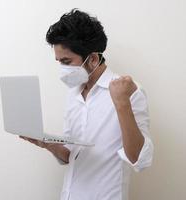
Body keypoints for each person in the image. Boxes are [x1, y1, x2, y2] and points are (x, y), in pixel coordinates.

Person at [20, 9, 154, 200]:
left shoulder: (130, 91)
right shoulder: (73, 93)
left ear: (92, 59)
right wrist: (46, 144)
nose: (62, 69)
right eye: (59, 62)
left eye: (66, 61)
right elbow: (71, 155)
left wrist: (122, 103)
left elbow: (139, 160)